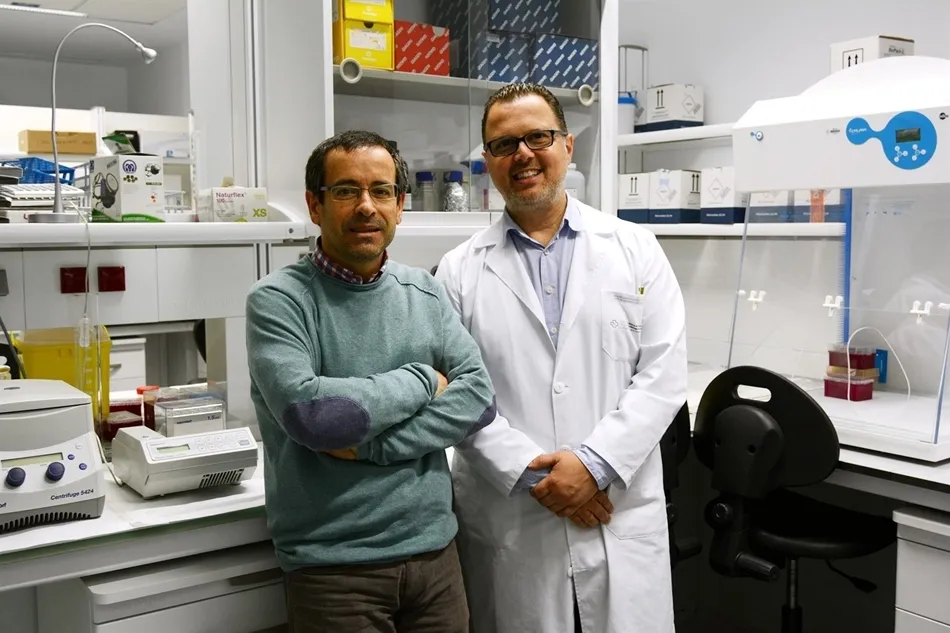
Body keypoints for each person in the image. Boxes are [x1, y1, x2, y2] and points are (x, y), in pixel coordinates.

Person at [435, 83, 688, 633]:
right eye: (504, 145)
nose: (522, 154)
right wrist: (542, 479)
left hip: (615, 509)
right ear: (488, 162)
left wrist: (594, 466)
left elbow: (664, 374)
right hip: (513, 518)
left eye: (538, 137)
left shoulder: (635, 248)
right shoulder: (457, 271)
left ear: (567, 146)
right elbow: (455, 394)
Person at [245, 129, 497, 633]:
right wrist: (422, 378)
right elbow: (315, 416)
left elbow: (478, 399)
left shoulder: (422, 291)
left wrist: (371, 449)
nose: (366, 206)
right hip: (333, 570)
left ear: (400, 206)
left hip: (436, 558)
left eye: (381, 191)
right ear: (315, 206)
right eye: (346, 191)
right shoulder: (278, 301)